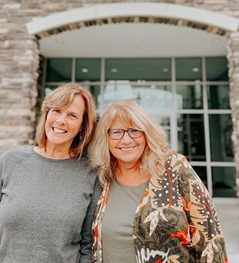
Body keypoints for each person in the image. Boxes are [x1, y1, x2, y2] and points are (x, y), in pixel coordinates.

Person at [88, 99, 228, 263]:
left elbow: (211, 239)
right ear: (106, 137)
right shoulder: (102, 177)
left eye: (134, 131)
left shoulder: (174, 168)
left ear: (147, 134)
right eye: (117, 132)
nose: (126, 140)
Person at [0, 83, 100, 263]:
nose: (61, 120)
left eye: (72, 115)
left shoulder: (90, 173)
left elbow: (88, 245)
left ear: (82, 126)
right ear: (46, 115)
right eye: (57, 111)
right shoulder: (9, 162)